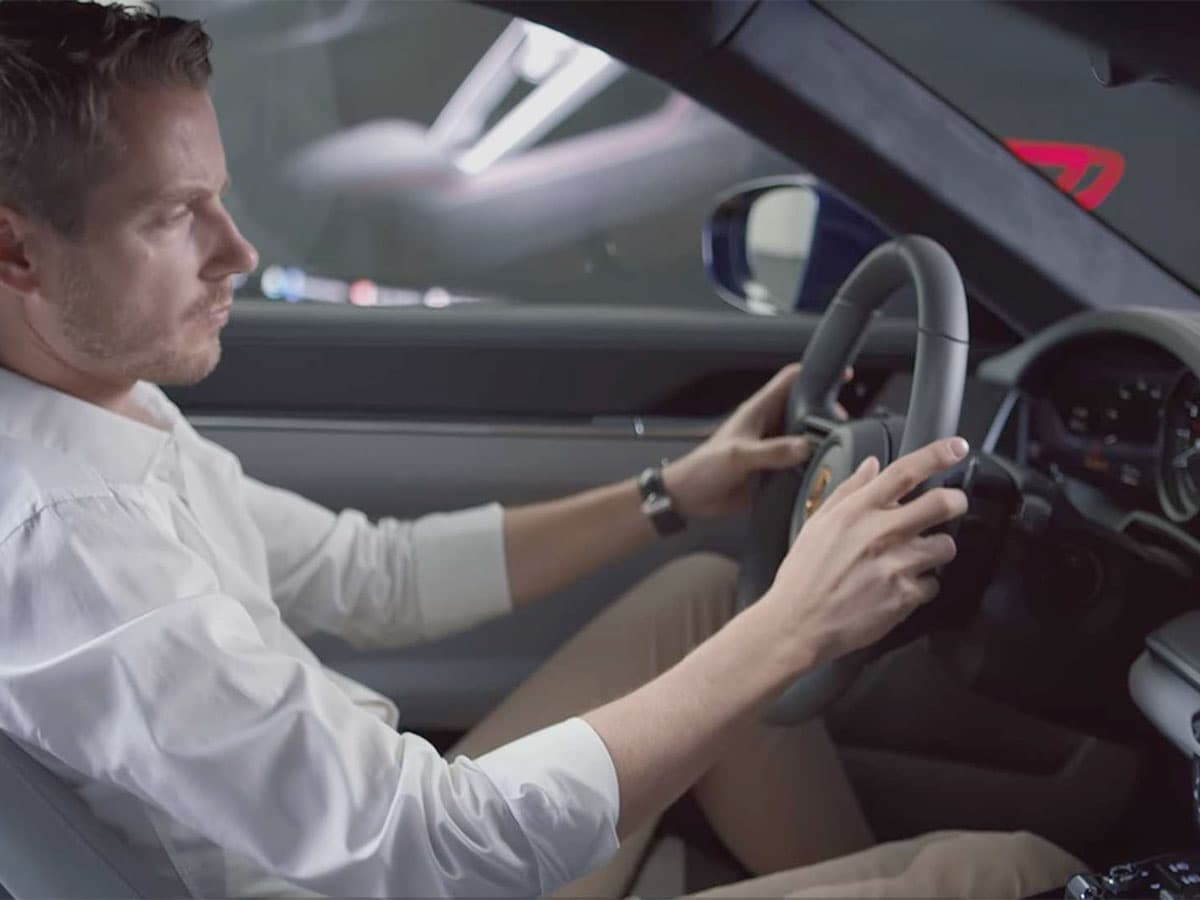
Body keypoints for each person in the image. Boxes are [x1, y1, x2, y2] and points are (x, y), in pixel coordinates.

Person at [0, 2, 1084, 897]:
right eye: (172, 216)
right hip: (414, 870)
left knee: (702, 597)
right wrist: (799, 623)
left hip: (386, 850)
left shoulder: (100, 401)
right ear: (15, 251)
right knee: (1012, 872)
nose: (237, 251)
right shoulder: (72, 541)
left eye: (222, 200)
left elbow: (371, 576)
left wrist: (670, 491)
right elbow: (430, 850)